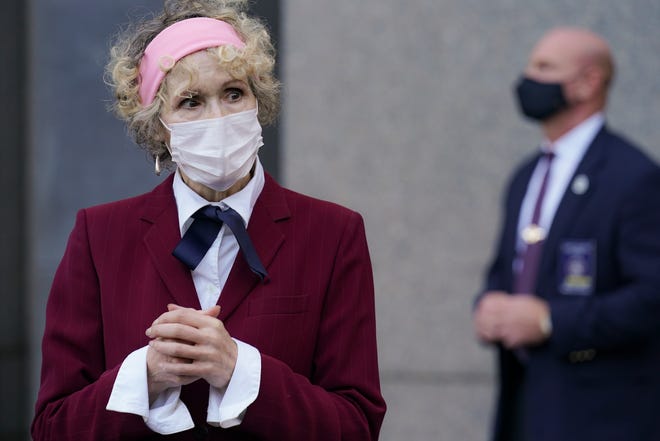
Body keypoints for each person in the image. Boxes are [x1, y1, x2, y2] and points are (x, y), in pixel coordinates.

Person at [31, 1, 386, 439]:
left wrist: (239, 369)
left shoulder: (332, 234)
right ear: (159, 125)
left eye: (234, 93)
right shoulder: (100, 236)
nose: (218, 117)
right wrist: (145, 375)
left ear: (259, 100)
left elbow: (356, 426)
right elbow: (52, 427)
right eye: (191, 101)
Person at [473, 27, 660, 441]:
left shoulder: (634, 178)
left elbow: (651, 297)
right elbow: (510, 268)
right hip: (525, 407)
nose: (528, 79)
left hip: (600, 417)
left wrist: (551, 320)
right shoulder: (526, 176)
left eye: (545, 67)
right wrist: (489, 304)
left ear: (589, 82)